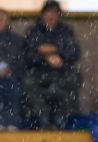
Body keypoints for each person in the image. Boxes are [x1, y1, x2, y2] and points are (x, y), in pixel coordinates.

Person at [21, 1, 81, 130]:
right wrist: (46, 58)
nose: (51, 16)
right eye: (48, 12)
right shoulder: (34, 32)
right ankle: (43, 118)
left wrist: (55, 51)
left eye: (54, 13)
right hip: (39, 72)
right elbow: (28, 56)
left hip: (62, 72)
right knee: (27, 81)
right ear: (42, 15)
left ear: (59, 15)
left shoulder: (66, 31)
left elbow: (74, 53)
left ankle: (62, 120)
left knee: (74, 79)